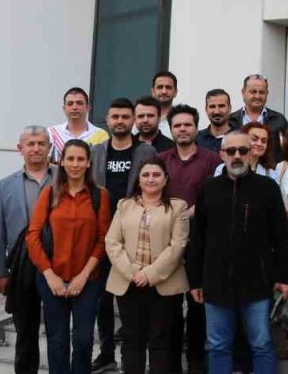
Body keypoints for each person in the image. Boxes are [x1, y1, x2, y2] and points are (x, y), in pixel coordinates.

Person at [187, 132, 288, 374]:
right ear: (221, 155)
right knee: (217, 345)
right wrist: (195, 280)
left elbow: (281, 236)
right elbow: (198, 238)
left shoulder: (267, 188)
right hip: (216, 283)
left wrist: (284, 277)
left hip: (257, 283)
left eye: (243, 151)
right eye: (231, 151)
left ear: (252, 153)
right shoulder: (209, 188)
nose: (237, 156)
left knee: (261, 344)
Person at [26, 139, 112, 374]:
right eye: (70, 159)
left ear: (88, 163)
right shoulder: (50, 194)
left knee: (83, 341)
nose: (75, 164)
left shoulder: (100, 196)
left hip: (88, 280)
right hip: (52, 278)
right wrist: (50, 275)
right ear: (61, 162)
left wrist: (84, 276)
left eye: (80, 159)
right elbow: (32, 236)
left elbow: (103, 239)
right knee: (57, 341)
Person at [90, 98, 157, 373]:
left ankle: (135, 357)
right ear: (107, 120)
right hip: (101, 236)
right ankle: (106, 353)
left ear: (133, 120)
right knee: (102, 300)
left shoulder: (146, 151)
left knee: (133, 302)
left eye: (125, 117)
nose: (120, 121)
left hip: (135, 237)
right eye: (115, 117)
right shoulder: (96, 151)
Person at [105, 159, 190, 374]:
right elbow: (112, 242)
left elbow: (178, 246)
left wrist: (149, 274)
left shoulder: (178, 207)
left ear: (165, 179)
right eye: (145, 175)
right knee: (132, 339)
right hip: (129, 283)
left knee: (161, 341)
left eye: (156, 175)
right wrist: (133, 272)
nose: (150, 179)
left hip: (164, 285)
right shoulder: (124, 205)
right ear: (138, 180)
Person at [158, 104, 221, 374]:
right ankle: (171, 366)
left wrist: (184, 215)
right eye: (177, 125)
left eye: (187, 125)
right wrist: (174, 219)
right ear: (171, 129)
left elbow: (213, 196)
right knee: (169, 308)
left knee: (197, 307)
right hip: (166, 241)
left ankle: (196, 365)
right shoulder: (161, 159)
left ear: (196, 127)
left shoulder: (212, 160)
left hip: (200, 241)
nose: (182, 129)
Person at [0, 126, 56, 374]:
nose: (36, 148)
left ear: (49, 147)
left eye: (41, 143)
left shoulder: (64, 178)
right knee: (25, 331)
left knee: (58, 331)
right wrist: (0, 271)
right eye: (31, 144)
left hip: (58, 264)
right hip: (21, 266)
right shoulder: (5, 185)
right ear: (21, 148)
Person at [228, 74, 288, 163]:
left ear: (267, 93)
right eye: (253, 92)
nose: (257, 96)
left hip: (270, 170)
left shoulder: (279, 120)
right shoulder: (231, 120)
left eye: (262, 92)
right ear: (243, 92)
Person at [50, 87, 108, 160]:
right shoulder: (52, 133)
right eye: (70, 104)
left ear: (88, 107)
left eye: (79, 103)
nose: (74, 107)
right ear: (64, 108)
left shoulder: (101, 135)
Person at [151, 71, 179, 138]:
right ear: (153, 91)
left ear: (175, 92)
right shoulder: (141, 118)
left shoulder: (181, 120)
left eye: (168, 87)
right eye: (160, 87)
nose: (164, 91)